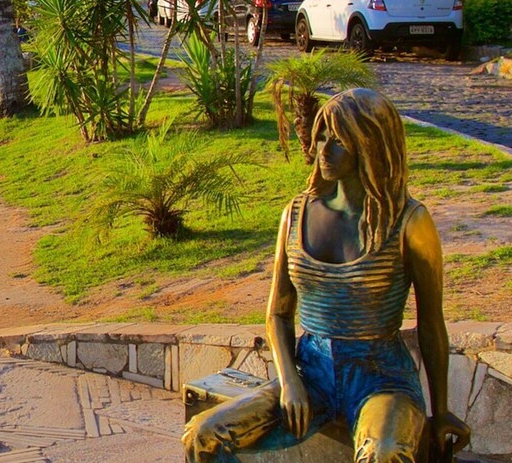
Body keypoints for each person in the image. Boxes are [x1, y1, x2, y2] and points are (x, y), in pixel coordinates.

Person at [183, 89, 471, 463]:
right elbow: (279, 313)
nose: (323, 149)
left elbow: (432, 324)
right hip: (311, 371)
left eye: (338, 140)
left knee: (384, 455)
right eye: (321, 136)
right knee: (202, 435)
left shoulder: (410, 223)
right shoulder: (296, 213)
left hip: (380, 377)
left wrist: (441, 411)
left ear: (370, 145)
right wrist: (289, 382)